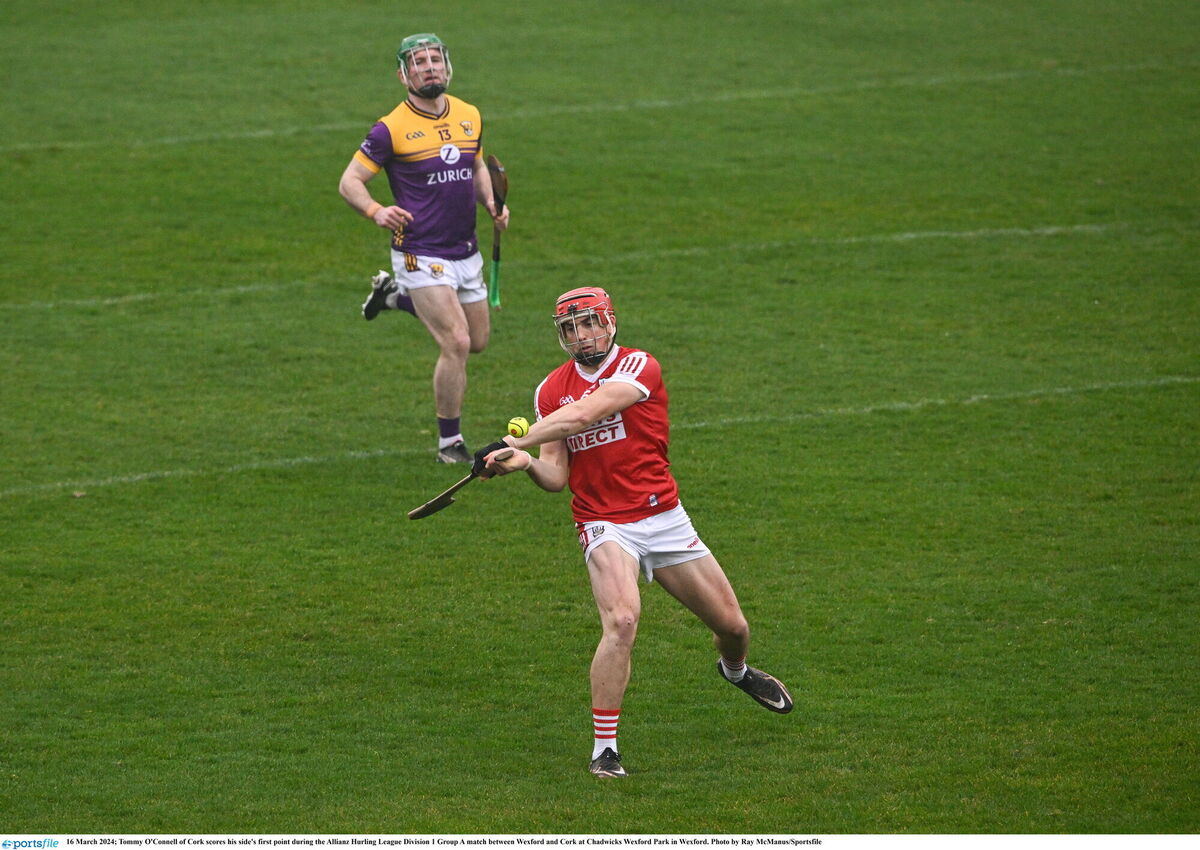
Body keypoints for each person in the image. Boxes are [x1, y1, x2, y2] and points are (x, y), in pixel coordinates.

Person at [473, 287, 792, 778]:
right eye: (571, 329)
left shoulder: (639, 366)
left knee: (733, 628)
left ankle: (736, 671)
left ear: (610, 322)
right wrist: (523, 463)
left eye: (589, 324)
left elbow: (586, 414)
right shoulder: (549, 392)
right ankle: (605, 749)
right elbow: (557, 477)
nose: (582, 336)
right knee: (622, 620)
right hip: (603, 521)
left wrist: (513, 440)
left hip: (662, 516)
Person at [338, 33, 510, 464]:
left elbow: (475, 164)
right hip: (419, 250)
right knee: (455, 342)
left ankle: (394, 296)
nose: (429, 67)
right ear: (403, 75)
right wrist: (377, 211)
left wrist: (491, 203)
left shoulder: (470, 114)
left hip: (465, 250)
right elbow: (350, 182)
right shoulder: (390, 128)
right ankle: (449, 442)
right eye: (418, 63)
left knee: (478, 341)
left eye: (435, 60)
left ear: (447, 66)